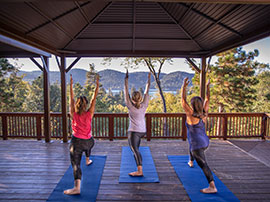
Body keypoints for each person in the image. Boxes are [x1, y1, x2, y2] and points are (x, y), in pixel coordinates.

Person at [64, 74, 99, 195]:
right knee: (88, 145)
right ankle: (88, 158)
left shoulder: (73, 113)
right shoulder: (90, 113)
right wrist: (97, 86)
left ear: (77, 104)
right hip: (89, 142)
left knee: (76, 164)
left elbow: (71, 99)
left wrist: (71, 86)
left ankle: (76, 188)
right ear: (86, 105)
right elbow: (94, 99)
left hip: (77, 142)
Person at [181, 77, 217, 194]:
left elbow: (182, 100)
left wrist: (184, 86)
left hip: (198, 145)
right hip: (205, 142)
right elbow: (208, 98)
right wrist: (207, 87)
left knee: (204, 165)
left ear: (192, 105)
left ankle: (212, 186)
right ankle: (191, 161)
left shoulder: (190, 114)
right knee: (191, 143)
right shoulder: (204, 112)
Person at [124, 70, 151, 176]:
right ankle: (139, 168)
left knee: (135, 150)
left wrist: (126, 80)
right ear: (140, 98)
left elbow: (125, 91)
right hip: (142, 131)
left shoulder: (130, 105)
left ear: (132, 98)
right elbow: (147, 92)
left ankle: (139, 171)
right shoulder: (144, 105)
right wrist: (148, 80)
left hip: (134, 132)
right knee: (137, 149)